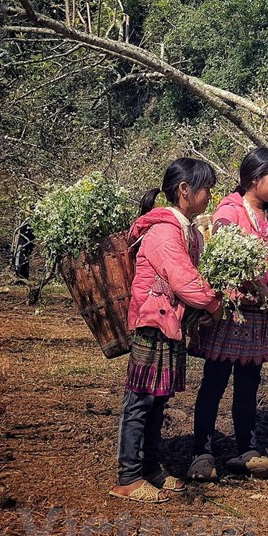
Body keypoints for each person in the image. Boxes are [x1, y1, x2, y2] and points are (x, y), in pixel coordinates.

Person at [111, 158, 222, 503]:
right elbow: (185, 280)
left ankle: (152, 469)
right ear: (184, 190)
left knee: (157, 400)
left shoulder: (184, 229)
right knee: (140, 401)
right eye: (205, 189)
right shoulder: (164, 231)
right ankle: (128, 477)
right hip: (152, 323)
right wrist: (214, 304)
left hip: (167, 324)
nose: (209, 196)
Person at [189, 146, 268, 481]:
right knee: (215, 382)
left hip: (260, 315)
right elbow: (226, 260)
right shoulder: (229, 212)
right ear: (254, 179)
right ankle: (201, 451)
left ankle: (246, 449)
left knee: (249, 384)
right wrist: (259, 289)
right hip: (231, 312)